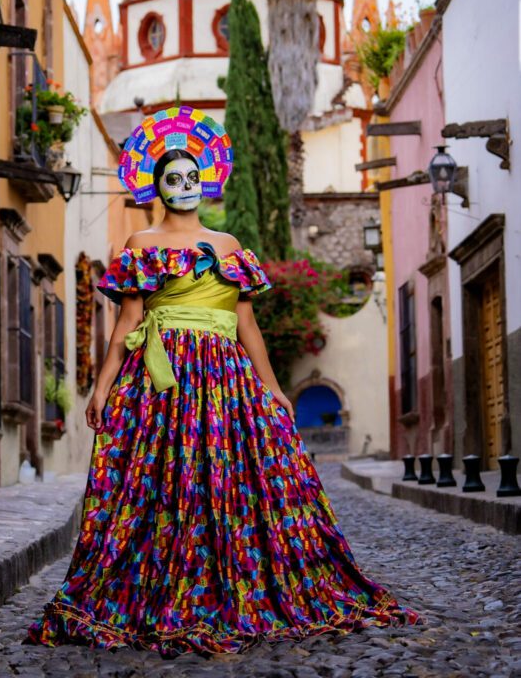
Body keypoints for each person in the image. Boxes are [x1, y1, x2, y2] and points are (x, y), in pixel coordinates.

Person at [25, 107, 423, 657]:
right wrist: (100, 388)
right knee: (165, 482)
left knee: (229, 476)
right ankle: (162, 581)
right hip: (161, 382)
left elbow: (247, 325)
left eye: (192, 178)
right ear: (158, 187)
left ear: (204, 182)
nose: (184, 187)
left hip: (225, 381)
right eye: (173, 180)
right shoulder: (141, 245)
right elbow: (126, 325)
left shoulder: (231, 245)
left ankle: (233, 578)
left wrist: (274, 387)